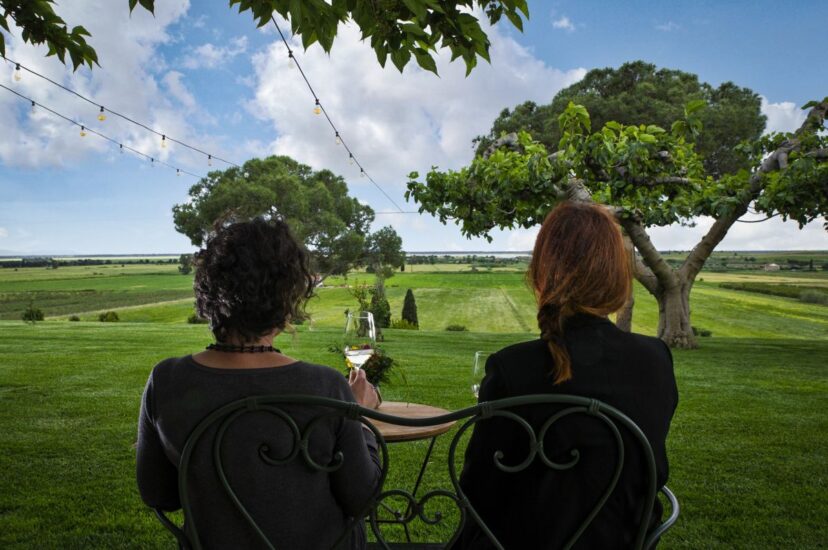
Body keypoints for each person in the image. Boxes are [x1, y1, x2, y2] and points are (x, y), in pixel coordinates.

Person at [136, 217, 382, 549]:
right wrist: (361, 417)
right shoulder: (326, 387)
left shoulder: (166, 380)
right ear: (286, 298)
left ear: (209, 293)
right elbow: (363, 498)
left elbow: (159, 495)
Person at [455, 202, 678, 549]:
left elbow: (477, 491)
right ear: (615, 273)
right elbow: (649, 475)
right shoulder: (656, 360)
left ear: (543, 270)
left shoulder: (512, 369)